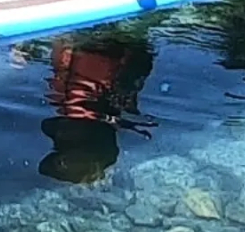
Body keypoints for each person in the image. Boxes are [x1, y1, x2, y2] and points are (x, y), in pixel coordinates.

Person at [36, 33, 157, 184]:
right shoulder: (116, 98)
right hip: (108, 40)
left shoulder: (65, 100)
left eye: (59, 143)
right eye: (62, 143)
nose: (57, 136)